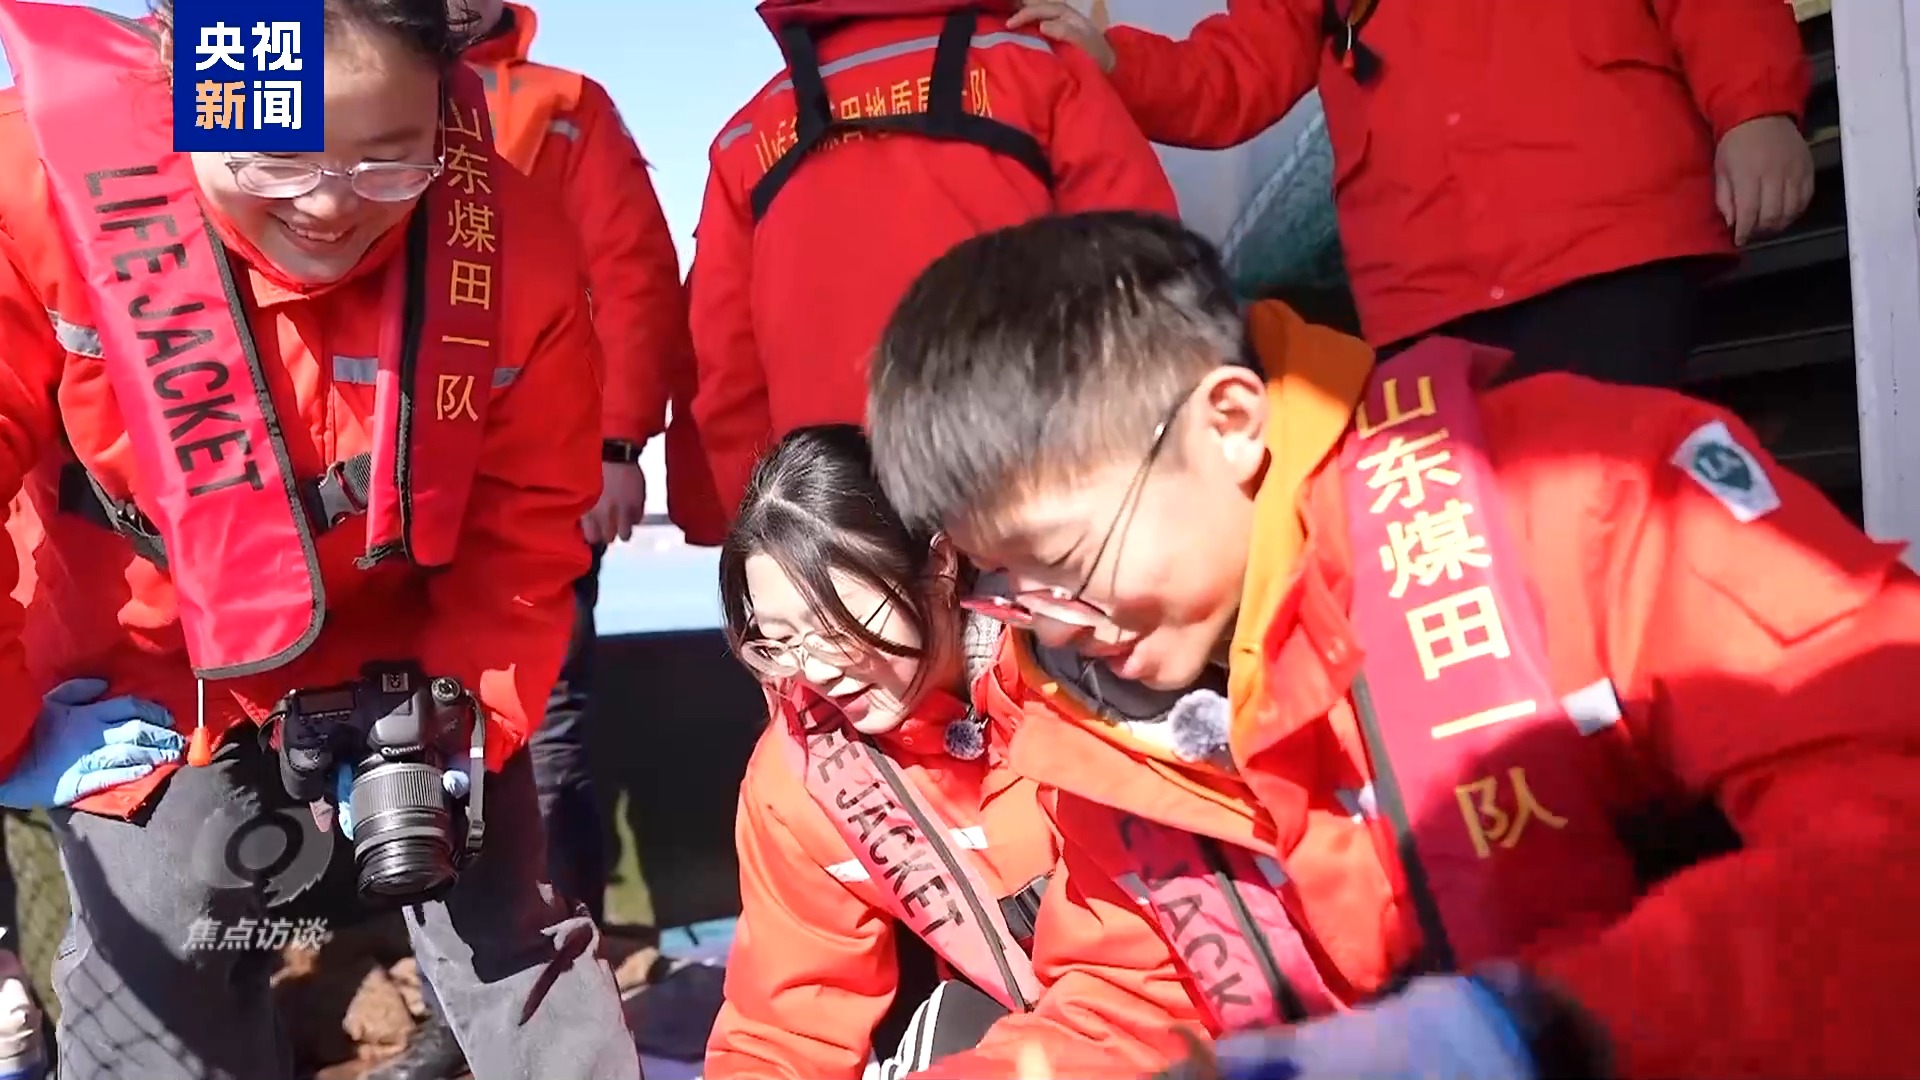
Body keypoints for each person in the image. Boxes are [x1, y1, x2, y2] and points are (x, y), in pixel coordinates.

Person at [866, 210, 1920, 1080]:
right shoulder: (1091, 716)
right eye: (1006, 581)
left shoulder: (1577, 496)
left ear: (1229, 423)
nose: (1050, 622)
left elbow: (1888, 831)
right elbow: (1130, 999)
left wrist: (1527, 1036)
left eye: (1063, 559)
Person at [0, 2, 640, 1078]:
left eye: (390, 161)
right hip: (154, 662)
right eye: (276, 161)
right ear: (182, 101)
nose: (334, 204)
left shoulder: (511, 244)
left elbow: (526, 525)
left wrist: (469, 720)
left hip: (413, 650)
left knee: (520, 953)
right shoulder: (34, 197)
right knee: (160, 971)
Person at [372, 3, 695, 1075]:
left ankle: (548, 989)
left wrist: (616, 445)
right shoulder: (316, 79)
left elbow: (634, 272)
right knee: (386, 732)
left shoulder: (564, 104)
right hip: (372, 497)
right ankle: (450, 998)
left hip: (534, 478)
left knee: (539, 733)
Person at [705, 424, 1208, 1080]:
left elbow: (1143, 989)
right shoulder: (804, 776)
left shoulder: (1074, 694)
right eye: (780, 641)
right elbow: (782, 1034)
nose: (817, 670)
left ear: (939, 564)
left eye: (839, 625)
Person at [1009, 0, 1816, 387]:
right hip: (1423, 291)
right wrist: (1115, 63)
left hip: (1608, 244)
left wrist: (1757, 110)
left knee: (1622, 517)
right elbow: (1237, 75)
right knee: (1491, 553)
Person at [688, 0, 1179, 522]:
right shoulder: (1037, 64)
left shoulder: (744, 139)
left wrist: (769, 531)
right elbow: (1140, 277)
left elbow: (727, 377)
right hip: (1031, 500)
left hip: (838, 526)